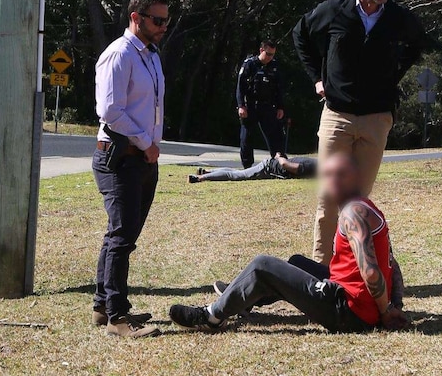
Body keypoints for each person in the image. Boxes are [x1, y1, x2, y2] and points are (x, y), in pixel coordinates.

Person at [169, 153, 407, 334]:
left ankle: (211, 316)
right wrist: (396, 304)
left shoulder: (352, 215)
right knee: (296, 263)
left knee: (262, 265)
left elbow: (371, 271)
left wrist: (386, 313)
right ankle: (242, 298)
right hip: (358, 301)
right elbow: (392, 264)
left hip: (349, 311)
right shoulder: (368, 208)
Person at [292, 0, 426, 264]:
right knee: (328, 200)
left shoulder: (396, 17)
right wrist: (317, 78)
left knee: (357, 204)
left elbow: (418, 43)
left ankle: (353, 273)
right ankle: (320, 275)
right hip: (337, 115)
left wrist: (394, 73)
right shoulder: (333, 11)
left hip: (376, 118)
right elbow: (300, 34)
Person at [92, 0, 169, 338]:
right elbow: (110, 112)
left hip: (143, 158)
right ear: (136, 17)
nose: (163, 26)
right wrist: (143, 142)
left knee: (123, 234)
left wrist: (151, 145)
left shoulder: (150, 56)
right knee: (122, 235)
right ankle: (117, 319)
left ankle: (102, 305)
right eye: (157, 20)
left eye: (166, 20)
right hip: (120, 156)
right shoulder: (119, 55)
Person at [236, 41, 287, 168]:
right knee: (247, 136)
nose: (270, 57)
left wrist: (280, 107)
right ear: (261, 50)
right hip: (251, 106)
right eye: (268, 54)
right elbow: (240, 86)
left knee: (274, 135)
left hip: (267, 106)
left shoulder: (274, 66)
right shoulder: (250, 64)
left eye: (272, 55)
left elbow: (279, 89)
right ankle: (247, 165)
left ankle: (279, 163)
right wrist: (241, 105)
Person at [186, 153, 317, 183]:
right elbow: (286, 164)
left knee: (237, 173)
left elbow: (287, 165)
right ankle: (202, 176)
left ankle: (204, 174)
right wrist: (280, 158)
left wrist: (279, 157)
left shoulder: (314, 166)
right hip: (269, 167)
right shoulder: (315, 166)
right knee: (238, 175)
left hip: (269, 166)